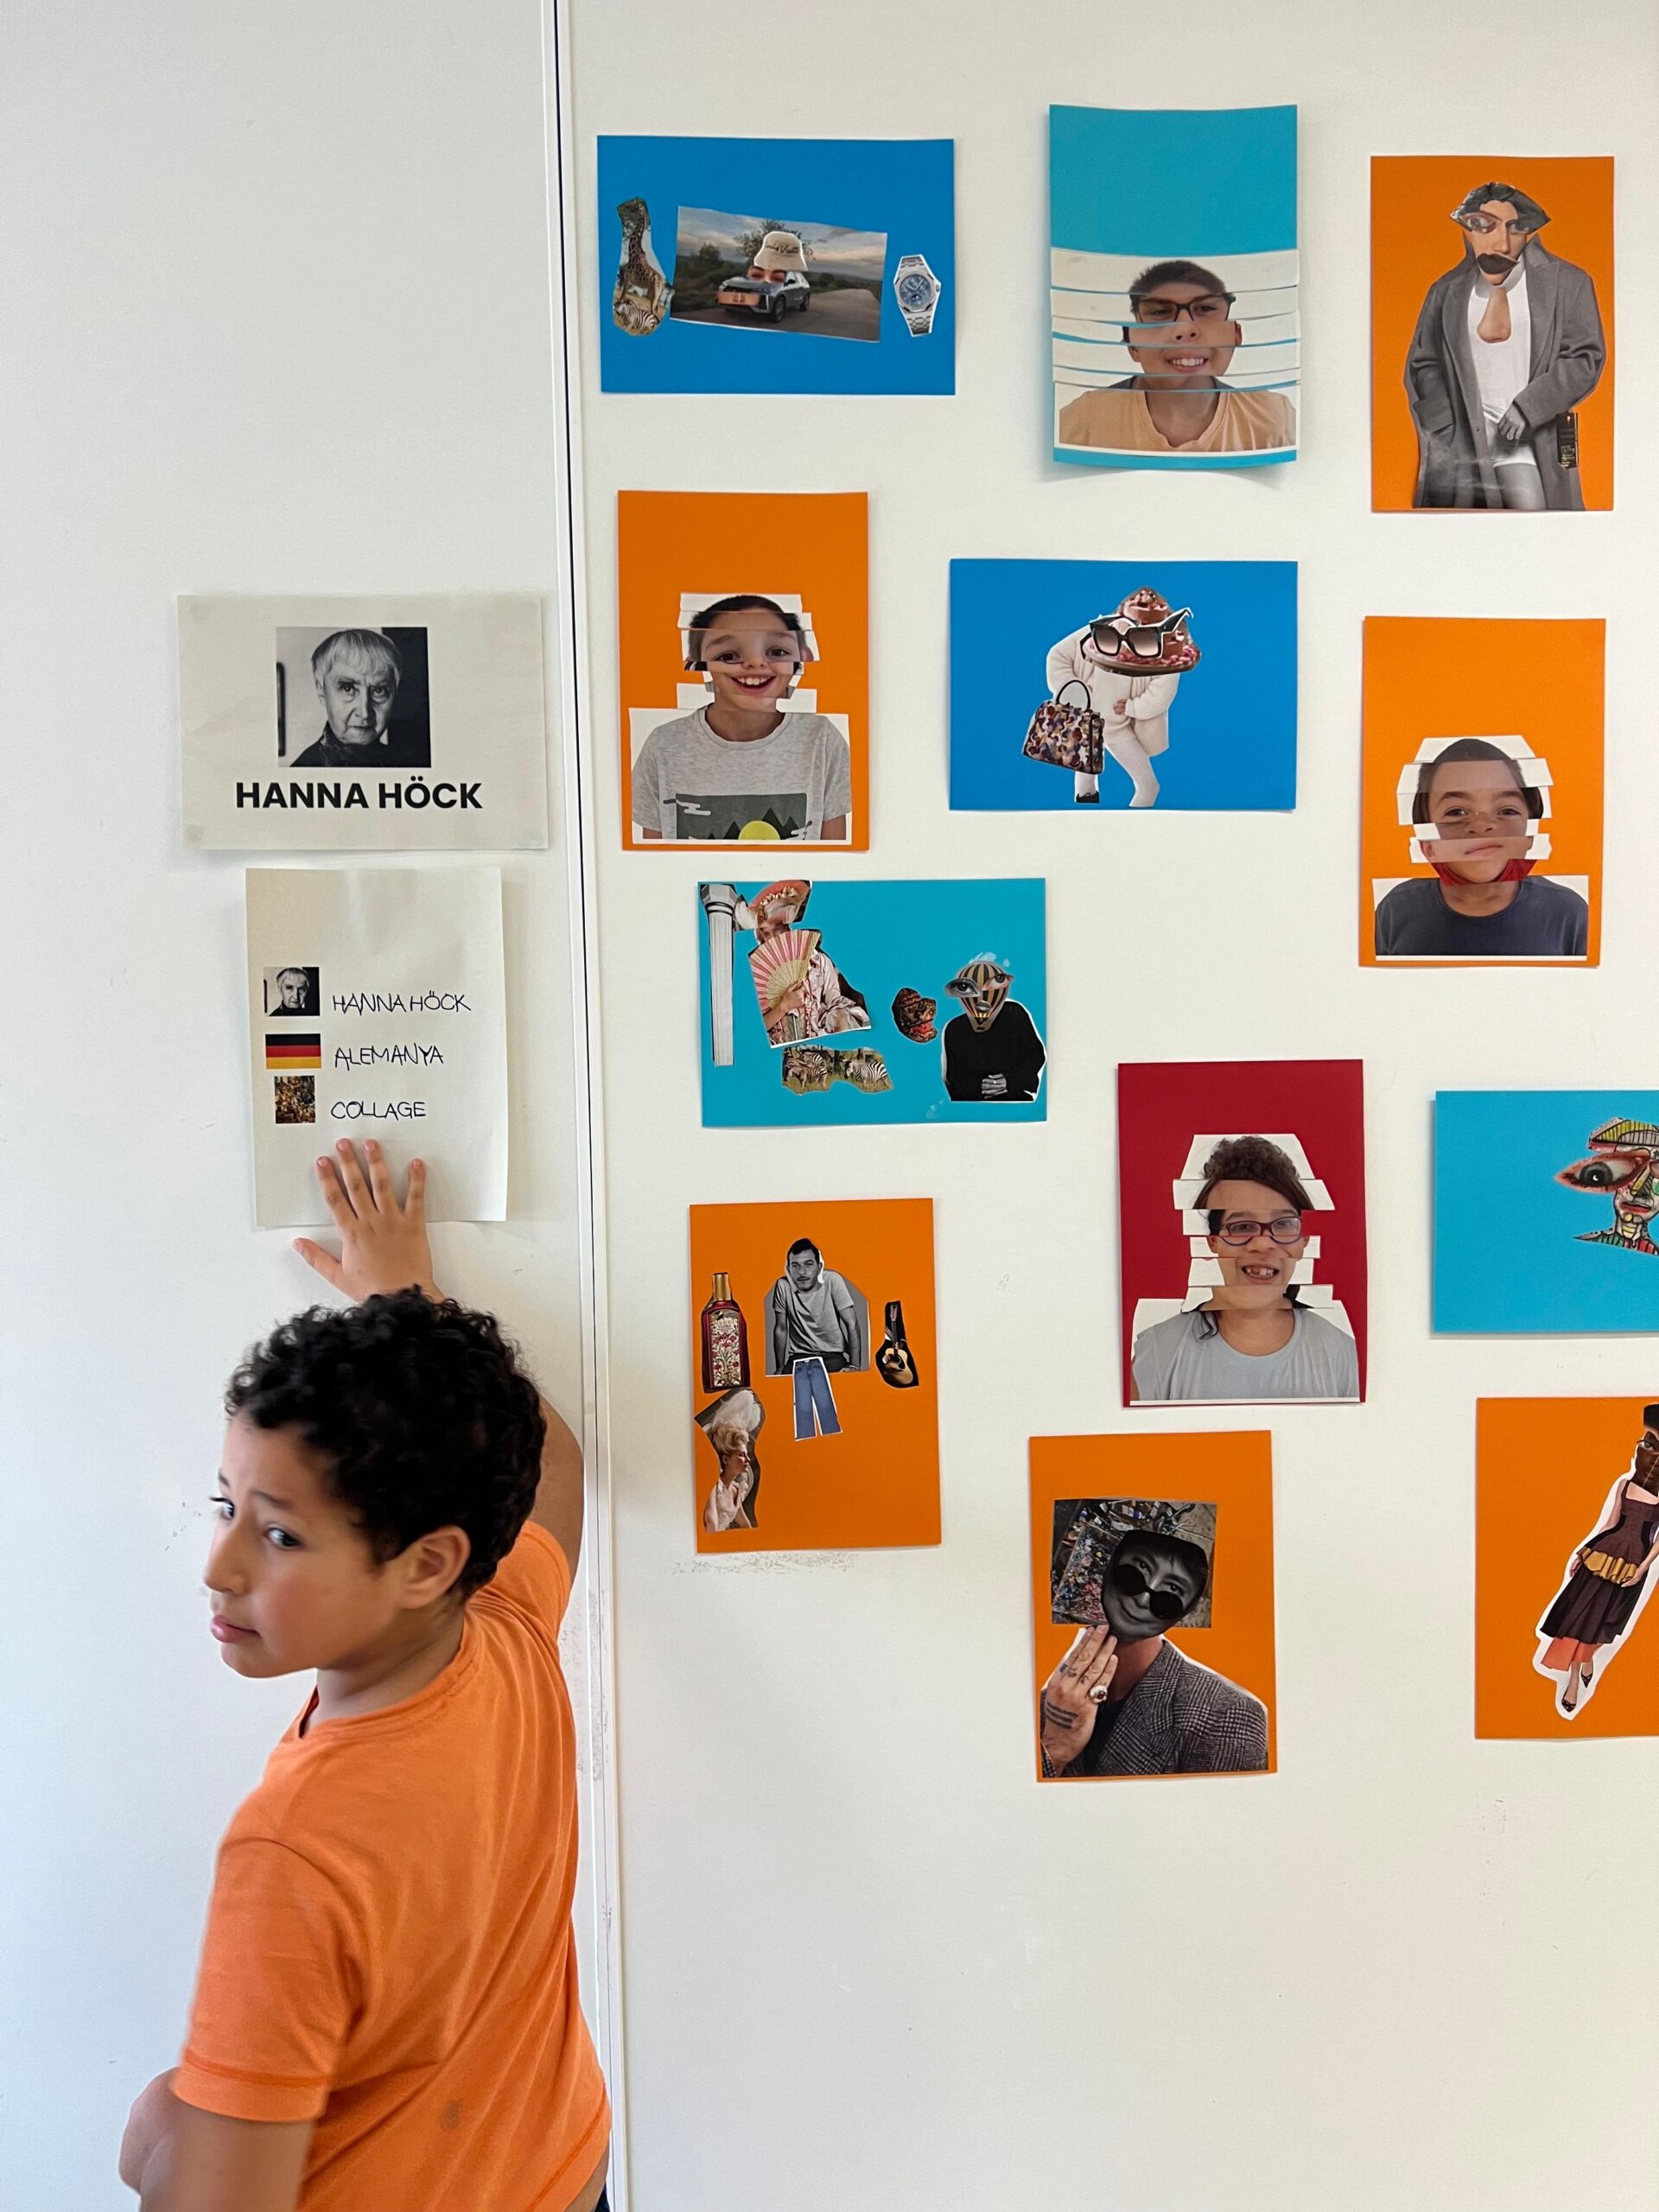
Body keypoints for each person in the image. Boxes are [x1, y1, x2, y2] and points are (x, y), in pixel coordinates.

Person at [118, 1140, 610, 2212]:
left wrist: (159, 2146)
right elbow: (558, 1467)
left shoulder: (293, 1849)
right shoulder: (506, 1626)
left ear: (427, 1562)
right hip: (560, 2178)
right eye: (228, 1504)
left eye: (280, 1535)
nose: (219, 1566)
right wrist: (410, 1312)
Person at [1404, 181, 1605, 512]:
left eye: (1516, 228)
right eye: (1484, 226)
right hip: (1465, 445)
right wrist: (1448, 428)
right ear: (1468, 230)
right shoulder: (1445, 291)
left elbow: (1585, 357)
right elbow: (1425, 364)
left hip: (1532, 439)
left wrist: (1529, 407)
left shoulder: (1569, 283)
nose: (1501, 243)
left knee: (1539, 528)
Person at [1131, 1134, 1359, 1402]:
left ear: (1303, 1241)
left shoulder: (1342, 1353)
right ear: (1213, 1242)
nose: (1262, 1244)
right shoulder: (1159, 1353)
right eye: (1241, 1227)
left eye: (1284, 1224)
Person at [1039, 1526, 1268, 1777]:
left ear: (1185, 1611)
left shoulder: (1224, 1715)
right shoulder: (1051, 1699)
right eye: (1137, 1571)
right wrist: (1055, 1750)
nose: (1143, 1599)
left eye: (1172, 1591)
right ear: (1108, 1570)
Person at [631, 594, 851, 843]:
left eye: (777, 651)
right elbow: (651, 858)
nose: (756, 663)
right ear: (699, 663)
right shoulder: (663, 745)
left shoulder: (822, 740)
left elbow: (835, 858)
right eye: (728, 655)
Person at [1057, 259, 1296, 457]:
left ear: (1236, 335)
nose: (1184, 329)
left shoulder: (1273, 419)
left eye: (1206, 309)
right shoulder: (1084, 419)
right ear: (1132, 343)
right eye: (1161, 312)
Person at [1374, 738, 1587, 958]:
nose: (1482, 825)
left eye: (1507, 811)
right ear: (1428, 844)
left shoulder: (1569, 913)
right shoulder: (1395, 911)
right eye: (1456, 812)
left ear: (1530, 835)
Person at [1535, 1412, 1659, 1716]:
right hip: (1602, 1556)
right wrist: (1582, 1553)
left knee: (1605, 1623)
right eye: (1646, 1446)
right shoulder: (1623, 1485)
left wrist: (1643, 1569)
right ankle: (1573, 1682)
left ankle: (1587, 1659)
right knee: (1579, 1618)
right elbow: (1610, 1524)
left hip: (1630, 1567)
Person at [1044, 588, 1199, 806]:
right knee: (1086, 779)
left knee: (1147, 785)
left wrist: (1132, 707)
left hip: (1116, 725)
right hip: (1086, 718)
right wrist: (1072, 689)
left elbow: (1161, 694)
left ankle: (1135, 821)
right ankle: (1085, 812)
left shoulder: (1169, 649)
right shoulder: (1104, 630)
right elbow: (1058, 655)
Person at [292, 629, 419, 769]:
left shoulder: (407, 765)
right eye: (348, 688)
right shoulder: (302, 771)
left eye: (379, 690)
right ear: (321, 691)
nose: (364, 713)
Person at [940, 955, 1046, 1103]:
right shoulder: (954, 1029)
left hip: (1014, 1101)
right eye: (965, 987)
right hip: (973, 1105)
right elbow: (954, 1077)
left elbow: (1036, 1056)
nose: (982, 996)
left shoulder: (1014, 1014)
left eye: (997, 981)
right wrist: (981, 1087)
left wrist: (1010, 1081)